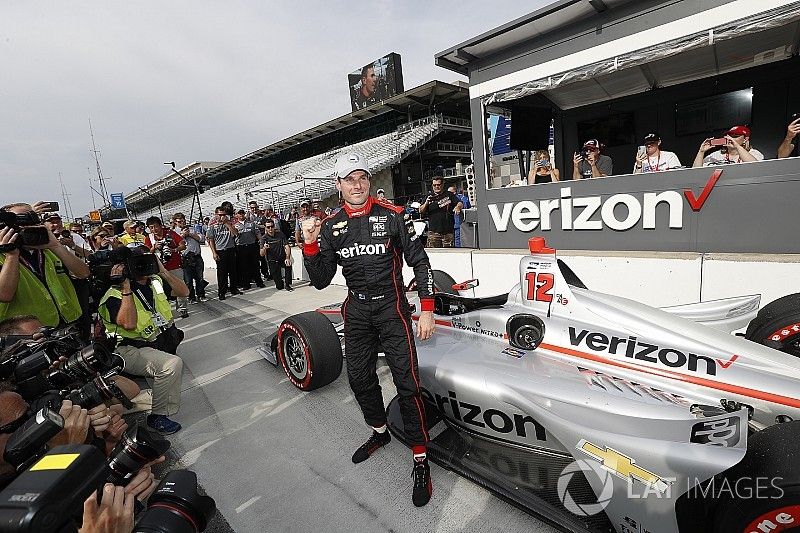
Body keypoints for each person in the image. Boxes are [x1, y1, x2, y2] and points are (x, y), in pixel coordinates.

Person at [302, 152, 435, 507]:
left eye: (362, 178)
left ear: (369, 182)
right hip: (357, 308)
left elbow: (419, 260)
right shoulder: (331, 225)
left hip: (392, 306)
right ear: (338, 185)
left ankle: (420, 456)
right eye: (349, 179)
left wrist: (427, 309)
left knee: (407, 383)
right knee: (359, 378)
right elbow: (319, 281)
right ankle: (379, 432)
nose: (356, 184)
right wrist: (310, 243)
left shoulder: (393, 215)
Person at [98, 248, 188, 434]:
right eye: (136, 263)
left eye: (145, 260)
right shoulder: (113, 295)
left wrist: (163, 272)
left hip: (157, 341)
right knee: (171, 365)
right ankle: (158, 416)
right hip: (128, 348)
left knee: (168, 362)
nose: (142, 266)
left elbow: (183, 292)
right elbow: (129, 324)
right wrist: (126, 288)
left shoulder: (154, 280)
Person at [0, 203, 89, 327]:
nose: (30, 228)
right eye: (23, 223)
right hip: (25, 334)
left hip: (67, 325)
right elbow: (4, 295)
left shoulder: (48, 250)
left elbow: (83, 273)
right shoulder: (3, 257)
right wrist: (11, 255)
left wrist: (56, 246)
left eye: (34, 222)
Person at [144, 217, 188, 319]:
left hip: (174, 266)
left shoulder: (170, 234)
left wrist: (173, 249)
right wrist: (154, 248)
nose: (154, 229)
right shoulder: (148, 238)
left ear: (160, 225)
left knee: (179, 288)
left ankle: (182, 309)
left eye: (156, 226)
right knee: (160, 291)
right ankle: (165, 311)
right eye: (151, 227)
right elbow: (146, 253)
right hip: (158, 269)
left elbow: (183, 244)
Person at [419, 174, 463, 248]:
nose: (436, 187)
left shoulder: (449, 195)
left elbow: (460, 203)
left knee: (449, 254)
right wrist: (426, 203)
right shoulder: (428, 196)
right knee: (434, 255)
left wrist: (458, 207)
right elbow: (420, 210)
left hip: (448, 232)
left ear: (442, 185)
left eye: (438, 185)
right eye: (434, 185)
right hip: (434, 232)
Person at [206, 205, 240, 300]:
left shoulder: (229, 223)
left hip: (230, 249)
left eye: (223, 214)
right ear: (216, 215)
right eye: (220, 215)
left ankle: (234, 288)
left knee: (233, 271)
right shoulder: (212, 226)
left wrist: (227, 223)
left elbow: (235, 234)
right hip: (220, 251)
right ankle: (222, 292)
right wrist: (214, 253)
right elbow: (211, 240)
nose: (222, 216)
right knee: (222, 273)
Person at [174, 214, 208, 303]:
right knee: (188, 280)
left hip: (197, 257)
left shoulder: (193, 228)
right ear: (175, 222)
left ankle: (201, 295)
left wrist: (189, 234)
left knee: (199, 278)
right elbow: (174, 244)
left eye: (183, 220)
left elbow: (202, 238)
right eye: (179, 221)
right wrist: (182, 236)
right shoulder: (174, 232)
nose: (182, 222)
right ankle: (191, 297)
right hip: (185, 258)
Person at [693, 125, 764, 167]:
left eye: (735, 136)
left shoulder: (754, 153)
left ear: (745, 139)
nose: (730, 138)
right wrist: (701, 152)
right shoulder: (716, 155)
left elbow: (756, 167)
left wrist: (737, 146)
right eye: (729, 136)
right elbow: (695, 172)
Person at [234, 209, 264, 290]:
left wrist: (261, 244)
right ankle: (246, 284)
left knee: (255, 265)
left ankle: (259, 282)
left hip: (252, 246)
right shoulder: (234, 225)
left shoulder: (251, 223)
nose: (241, 215)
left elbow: (258, 234)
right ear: (236, 215)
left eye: (242, 213)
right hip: (241, 247)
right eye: (239, 213)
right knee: (244, 266)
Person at [260, 220, 292, 291]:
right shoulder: (264, 238)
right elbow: (261, 254)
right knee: (279, 286)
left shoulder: (280, 234)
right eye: (268, 227)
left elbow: (287, 246)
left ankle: (287, 284)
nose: (270, 229)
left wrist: (287, 258)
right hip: (272, 260)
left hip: (282, 257)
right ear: (265, 228)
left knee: (288, 264)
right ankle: (280, 283)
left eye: (272, 226)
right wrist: (265, 248)